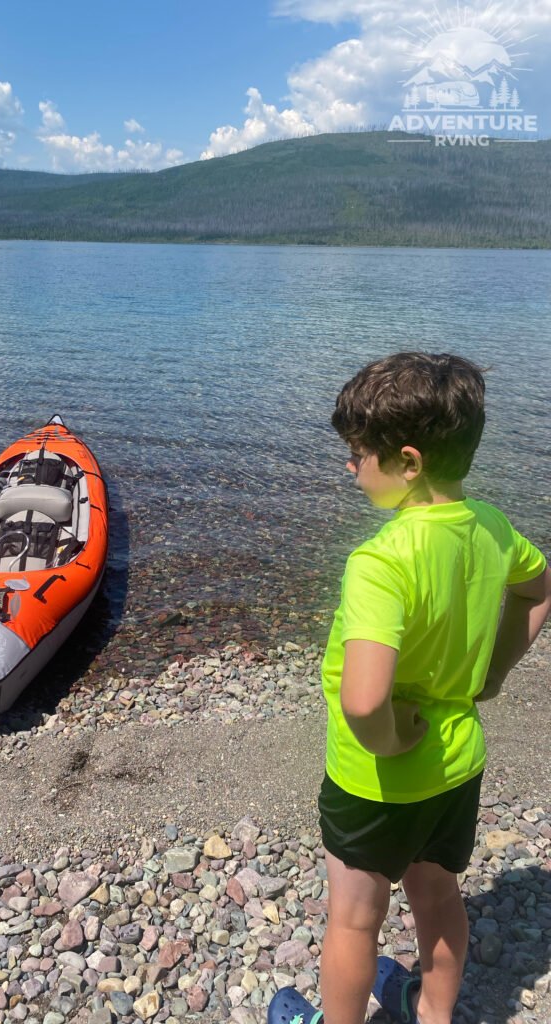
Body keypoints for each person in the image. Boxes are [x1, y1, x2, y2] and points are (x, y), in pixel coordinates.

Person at [268, 352, 551, 1024]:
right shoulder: (491, 527)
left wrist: (390, 740)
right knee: (439, 896)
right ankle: (431, 1014)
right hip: (456, 767)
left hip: (377, 779)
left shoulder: (380, 562)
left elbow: (365, 700)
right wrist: (493, 673)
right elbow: (538, 589)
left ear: (410, 462)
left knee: (355, 920)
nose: (349, 466)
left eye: (359, 454)